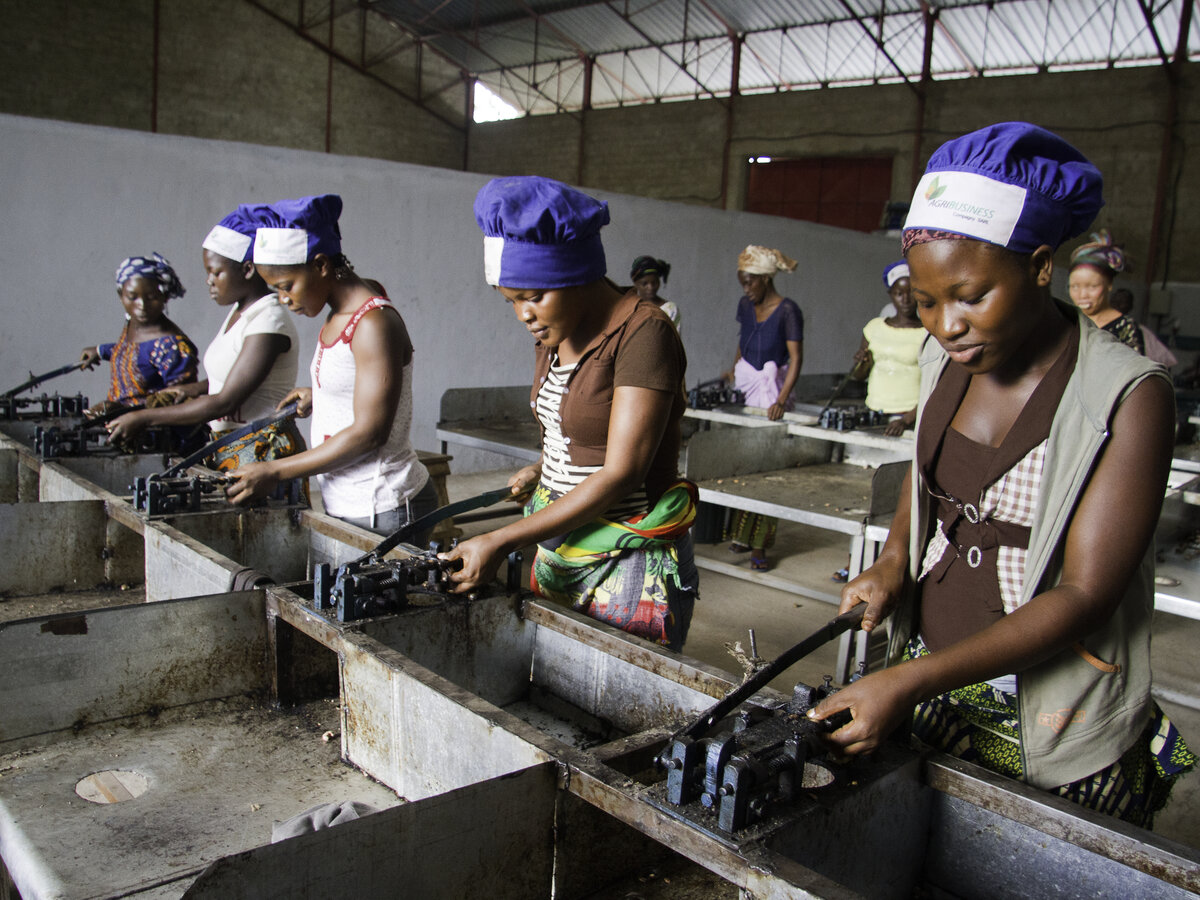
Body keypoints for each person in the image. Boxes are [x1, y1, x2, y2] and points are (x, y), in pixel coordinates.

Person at [808, 122, 1193, 828]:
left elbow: (1085, 595)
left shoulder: (1128, 395)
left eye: (970, 295)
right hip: (932, 669)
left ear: (1041, 267)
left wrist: (907, 680)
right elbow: (926, 481)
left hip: (1049, 710)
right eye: (926, 302)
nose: (947, 324)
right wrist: (894, 561)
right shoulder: (941, 358)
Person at [441, 176, 698, 651]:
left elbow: (621, 472)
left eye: (533, 295)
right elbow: (580, 429)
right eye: (511, 301)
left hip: (626, 561)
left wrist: (501, 540)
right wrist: (545, 468)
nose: (524, 315)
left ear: (576, 273)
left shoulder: (644, 334)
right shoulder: (554, 332)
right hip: (561, 548)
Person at [223, 194, 435, 539]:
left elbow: (370, 433)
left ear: (321, 265)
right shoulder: (345, 309)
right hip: (349, 500)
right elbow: (364, 380)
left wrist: (274, 471)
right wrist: (321, 394)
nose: (283, 299)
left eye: (286, 286)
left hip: (383, 505)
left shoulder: (372, 323)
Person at [105, 207, 305, 469]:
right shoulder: (240, 311)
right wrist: (192, 389)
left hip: (264, 455)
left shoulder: (269, 321)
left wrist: (144, 417)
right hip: (234, 446)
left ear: (247, 269)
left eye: (215, 272)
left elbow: (226, 401)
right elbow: (231, 377)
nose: (209, 281)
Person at [723, 244, 803, 571]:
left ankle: (761, 545)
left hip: (772, 393)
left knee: (767, 471)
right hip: (747, 388)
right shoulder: (745, 304)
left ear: (766, 280)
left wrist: (781, 400)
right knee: (744, 464)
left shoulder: (788, 311)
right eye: (742, 282)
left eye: (750, 282)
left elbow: (796, 358)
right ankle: (742, 534)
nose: (746, 288)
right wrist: (733, 369)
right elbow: (743, 342)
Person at [79, 253, 201, 449]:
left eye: (152, 297)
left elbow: (181, 400)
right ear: (121, 296)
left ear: (165, 297)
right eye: (132, 297)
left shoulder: (172, 346)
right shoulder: (133, 325)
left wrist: (121, 410)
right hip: (127, 428)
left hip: (162, 441)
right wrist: (101, 351)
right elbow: (131, 353)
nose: (141, 306)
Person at [849, 260, 925, 437]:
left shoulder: (928, 333)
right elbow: (859, 376)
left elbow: (935, 387)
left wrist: (906, 420)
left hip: (908, 415)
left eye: (911, 293)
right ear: (891, 294)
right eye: (899, 293)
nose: (905, 299)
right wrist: (862, 363)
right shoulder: (874, 327)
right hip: (874, 411)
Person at [1068, 230, 1144, 354]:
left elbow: (1134, 372)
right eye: (1075, 287)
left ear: (1109, 285)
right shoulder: (1066, 322)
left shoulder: (1126, 328)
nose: (1082, 295)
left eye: (1092, 287)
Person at [1111, 287, 1177, 368]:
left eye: (1122, 302)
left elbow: (1166, 360)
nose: (1118, 305)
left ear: (1130, 306)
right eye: (1116, 302)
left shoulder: (1140, 331)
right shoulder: (1098, 326)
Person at [630, 255, 680, 329]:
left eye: (654, 282)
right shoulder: (630, 309)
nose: (650, 287)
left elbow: (674, 339)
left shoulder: (670, 309)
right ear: (636, 284)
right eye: (644, 284)